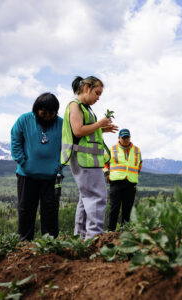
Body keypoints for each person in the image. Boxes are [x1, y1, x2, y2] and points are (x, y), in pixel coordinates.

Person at [61, 76, 118, 239]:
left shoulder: (85, 108)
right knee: (97, 196)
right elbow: (77, 130)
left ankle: (81, 236)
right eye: (97, 93)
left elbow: (85, 131)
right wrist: (100, 124)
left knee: (86, 198)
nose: (98, 98)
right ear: (86, 88)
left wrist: (102, 130)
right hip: (83, 159)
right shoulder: (75, 106)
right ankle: (93, 236)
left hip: (88, 159)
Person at [10, 92, 63, 241]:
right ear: (36, 110)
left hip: (52, 176)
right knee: (26, 209)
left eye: (52, 113)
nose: (48, 116)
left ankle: (50, 243)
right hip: (27, 175)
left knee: (50, 210)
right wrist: (23, 162)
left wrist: (59, 167)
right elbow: (15, 141)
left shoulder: (62, 124)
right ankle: (25, 242)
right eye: (44, 113)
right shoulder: (24, 120)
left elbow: (67, 148)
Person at [103, 129, 142, 231]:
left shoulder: (137, 150)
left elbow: (139, 164)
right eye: (123, 137)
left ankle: (125, 230)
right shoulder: (112, 149)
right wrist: (106, 173)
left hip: (130, 182)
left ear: (130, 137)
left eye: (127, 137)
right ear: (119, 138)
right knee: (114, 208)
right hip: (116, 182)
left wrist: (134, 174)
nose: (125, 139)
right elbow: (104, 163)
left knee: (127, 208)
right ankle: (111, 230)